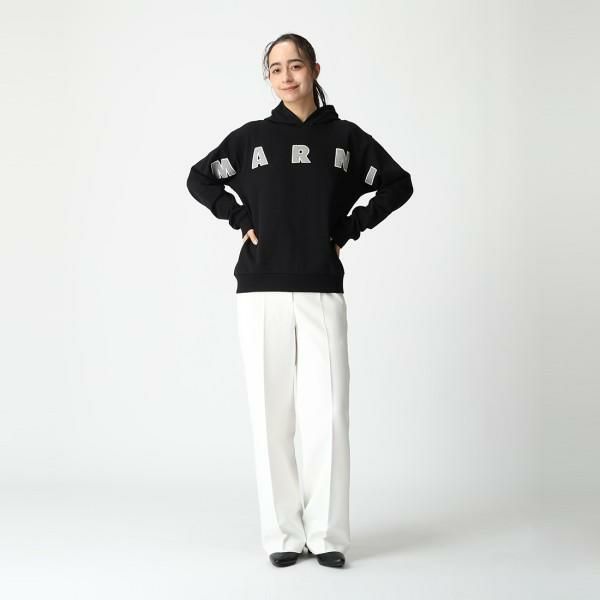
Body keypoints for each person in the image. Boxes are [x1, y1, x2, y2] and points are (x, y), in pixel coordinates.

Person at [186, 33, 414, 569]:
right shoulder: (251, 140)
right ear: (268, 78)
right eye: (275, 69)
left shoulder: (346, 140)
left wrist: (349, 228)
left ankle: (328, 535)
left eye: (295, 65)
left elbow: (397, 184)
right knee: (272, 414)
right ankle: (284, 535)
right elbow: (199, 178)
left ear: (314, 69)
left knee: (328, 413)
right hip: (260, 288)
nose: (286, 76)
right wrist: (240, 218)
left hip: (320, 285)